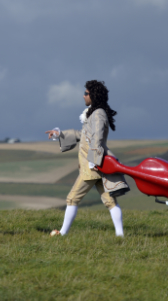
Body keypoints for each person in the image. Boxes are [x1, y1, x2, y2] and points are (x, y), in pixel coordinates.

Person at [46, 80, 129, 237]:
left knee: (72, 199)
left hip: (92, 167)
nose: (83, 96)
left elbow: (97, 138)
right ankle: (120, 236)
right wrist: (59, 134)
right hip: (97, 165)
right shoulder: (95, 113)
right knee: (110, 202)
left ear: (93, 95)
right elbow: (83, 135)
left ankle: (62, 234)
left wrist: (93, 161)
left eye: (86, 93)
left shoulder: (98, 114)